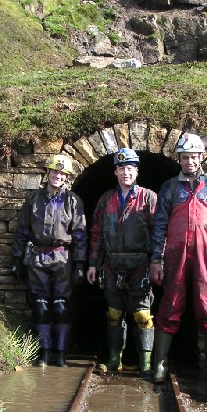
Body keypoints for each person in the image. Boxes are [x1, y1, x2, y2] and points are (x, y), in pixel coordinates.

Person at [149, 133, 207, 385]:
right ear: (180, 158)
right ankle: (160, 365)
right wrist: (156, 259)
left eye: (194, 156)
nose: (189, 161)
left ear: (201, 157)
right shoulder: (170, 187)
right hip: (175, 254)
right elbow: (159, 225)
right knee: (170, 304)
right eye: (185, 157)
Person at [11, 154, 87, 367]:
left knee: (61, 307)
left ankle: (60, 353)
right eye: (54, 171)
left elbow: (80, 234)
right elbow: (23, 231)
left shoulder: (73, 201)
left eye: (62, 173)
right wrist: (17, 258)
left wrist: (80, 264)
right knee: (41, 306)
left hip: (63, 257)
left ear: (67, 177)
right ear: (47, 173)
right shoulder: (34, 199)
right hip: (37, 257)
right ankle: (45, 351)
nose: (58, 176)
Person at [87, 149, 157, 376]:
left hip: (140, 265)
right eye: (121, 169)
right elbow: (96, 233)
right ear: (115, 172)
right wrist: (92, 264)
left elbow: (159, 234)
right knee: (114, 314)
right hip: (112, 264)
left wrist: (158, 262)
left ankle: (145, 363)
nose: (125, 173)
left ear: (136, 171)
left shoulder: (148, 198)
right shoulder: (106, 199)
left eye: (130, 168)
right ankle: (114, 359)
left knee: (142, 315)